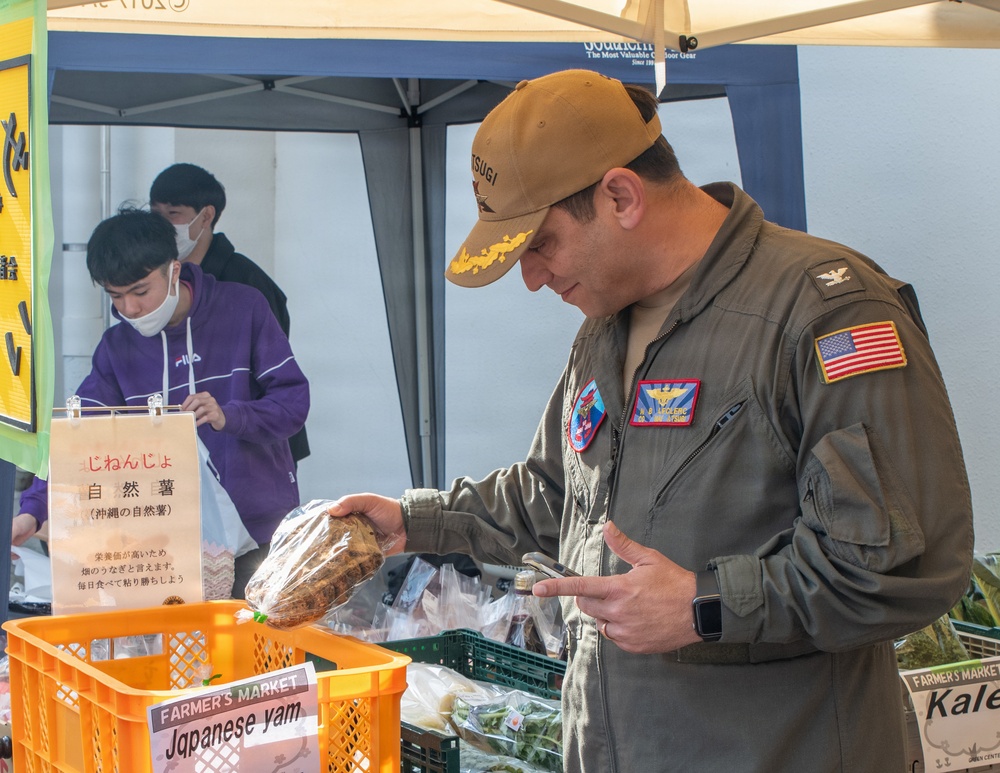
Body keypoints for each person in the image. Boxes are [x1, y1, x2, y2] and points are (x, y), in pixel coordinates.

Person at [326, 70, 974, 772]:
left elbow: (905, 568)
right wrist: (415, 521)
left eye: (540, 243)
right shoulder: (603, 329)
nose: (533, 277)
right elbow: (556, 491)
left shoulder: (824, 315)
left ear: (620, 196)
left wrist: (705, 603)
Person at [12, 208, 309, 599]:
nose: (129, 309)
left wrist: (230, 415)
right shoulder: (117, 348)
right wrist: (34, 510)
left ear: (174, 270)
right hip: (165, 545)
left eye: (139, 291)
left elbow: (292, 402)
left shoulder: (244, 309)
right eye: (115, 296)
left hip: (261, 533)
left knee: (257, 645)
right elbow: (77, 438)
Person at [149, 162, 310, 466]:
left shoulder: (247, 283)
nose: (162, 225)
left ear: (206, 215)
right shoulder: (161, 277)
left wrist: (236, 416)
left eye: (173, 215)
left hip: (253, 443)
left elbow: (275, 374)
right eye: (156, 215)